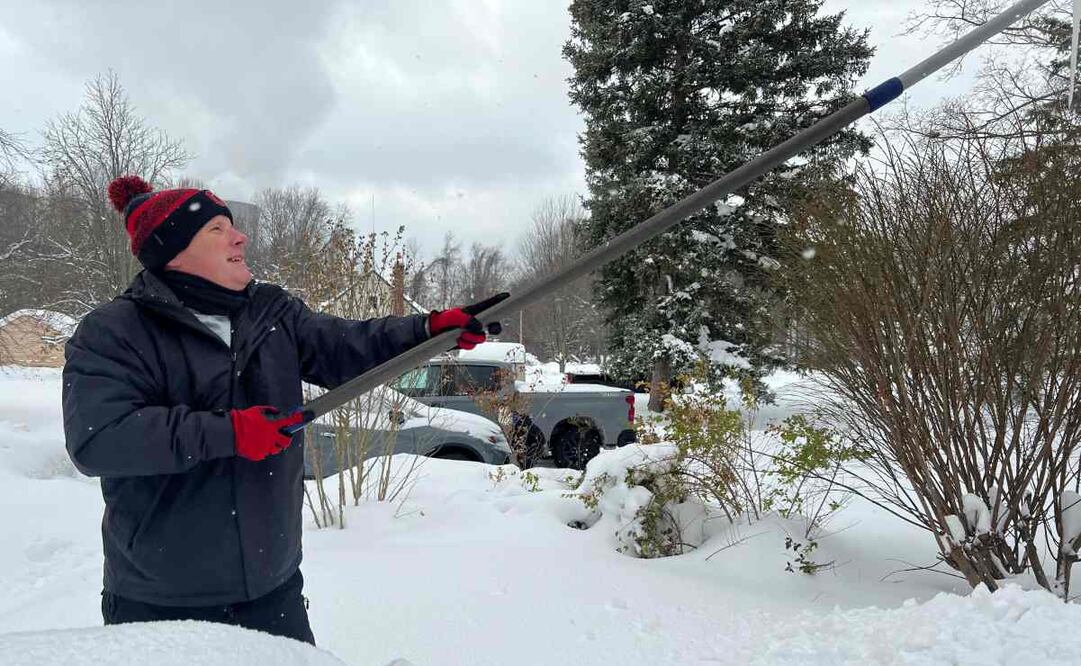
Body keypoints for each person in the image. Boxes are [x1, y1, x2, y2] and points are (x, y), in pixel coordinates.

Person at [62, 175, 501, 644]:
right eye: (216, 229)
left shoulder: (271, 313)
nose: (239, 237)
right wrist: (229, 433)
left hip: (272, 592)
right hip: (160, 600)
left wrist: (428, 331)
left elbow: (346, 347)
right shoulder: (115, 330)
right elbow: (100, 438)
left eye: (232, 227)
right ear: (174, 249)